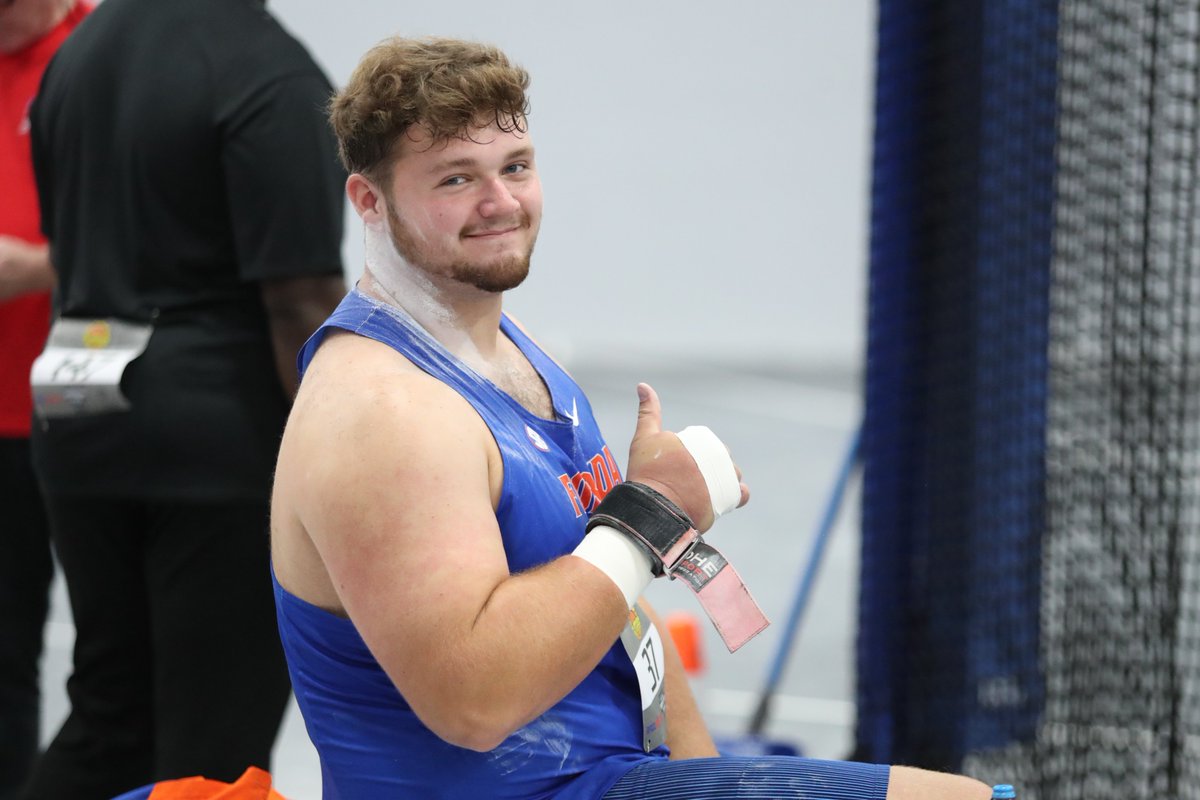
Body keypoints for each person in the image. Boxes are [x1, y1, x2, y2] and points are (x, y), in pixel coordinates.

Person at [269, 35, 995, 800]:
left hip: (606, 776)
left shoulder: (512, 353)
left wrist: (712, 777)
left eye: (515, 167)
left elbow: (616, 606)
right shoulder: (384, 413)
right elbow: (472, 705)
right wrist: (648, 515)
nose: (501, 203)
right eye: (456, 179)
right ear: (369, 202)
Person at [21, 0, 348, 797]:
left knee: (107, 717)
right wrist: (348, 470)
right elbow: (302, 301)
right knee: (216, 755)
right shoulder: (268, 70)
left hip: (78, 408)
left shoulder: (78, 55)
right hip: (213, 439)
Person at [0, 1, 89, 797]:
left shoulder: (100, 53)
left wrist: (34, 266)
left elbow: (155, 232)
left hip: (86, 403)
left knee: (117, 647)